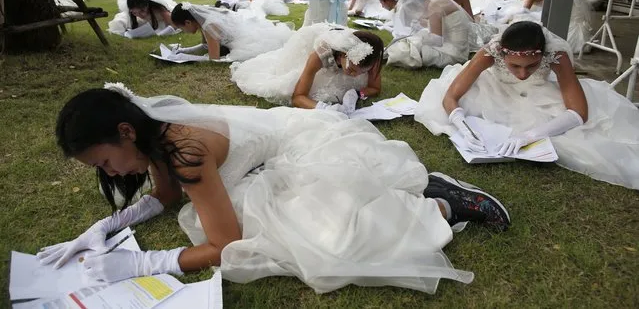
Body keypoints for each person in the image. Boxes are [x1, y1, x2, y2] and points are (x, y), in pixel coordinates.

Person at [38, 83, 511, 294]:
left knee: (330, 247)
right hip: (259, 160)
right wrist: (106, 226)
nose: (112, 173)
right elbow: (165, 196)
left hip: (300, 148)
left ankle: (441, 204)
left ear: (124, 131)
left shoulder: (184, 150)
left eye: (103, 162)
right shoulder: (150, 135)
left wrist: (141, 263)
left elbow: (226, 246)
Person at [415, 21, 639, 190]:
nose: (522, 74)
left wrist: (530, 136)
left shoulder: (556, 55)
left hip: (538, 94)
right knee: (461, 102)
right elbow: (450, 96)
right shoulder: (490, 52)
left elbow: (579, 112)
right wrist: (459, 122)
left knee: (585, 132)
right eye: (514, 66)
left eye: (531, 66)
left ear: (543, 54)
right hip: (494, 90)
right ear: (502, 54)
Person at [231, 24, 386, 109]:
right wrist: (323, 109)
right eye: (351, 70)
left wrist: (357, 93)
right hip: (313, 39)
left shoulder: (371, 55)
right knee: (286, 78)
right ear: (342, 55)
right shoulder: (320, 55)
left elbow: (375, 88)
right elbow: (298, 97)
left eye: (361, 73)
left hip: (348, 40)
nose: (354, 76)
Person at [384, 0, 478, 69]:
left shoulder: (434, 5)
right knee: (411, 43)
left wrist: (418, 39)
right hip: (458, 48)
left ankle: (385, 55)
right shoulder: (438, 1)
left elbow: (437, 40)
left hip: (453, 53)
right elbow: (443, 26)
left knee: (410, 48)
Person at [169, 3, 293, 61]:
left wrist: (184, 57)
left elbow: (214, 59)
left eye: (182, 28)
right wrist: (184, 50)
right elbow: (205, 46)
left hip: (248, 40)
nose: (183, 31)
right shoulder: (201, 20)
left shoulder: (208, 25)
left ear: (188, 22)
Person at [107, 0, 178, 38]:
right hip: (147, 25)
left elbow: (174, 24)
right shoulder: (130, 13)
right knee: (120, 20)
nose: (141, 15)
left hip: (160, 22)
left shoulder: (157, 7)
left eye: (142, 11)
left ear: (147, 5)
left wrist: (160, 34)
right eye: (135, 13)